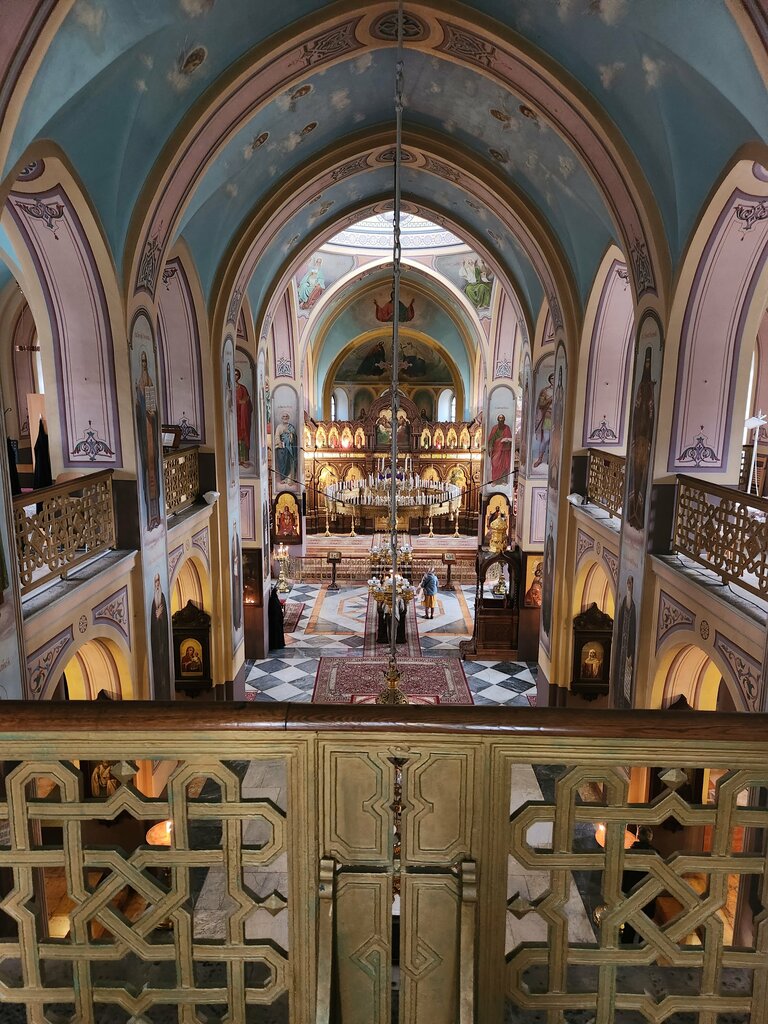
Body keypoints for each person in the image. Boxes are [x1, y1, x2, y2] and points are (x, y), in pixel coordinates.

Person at [626, 347, 656, 530]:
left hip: (644, 443)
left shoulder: (649, 391)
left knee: (641, 476)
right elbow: (638, 412)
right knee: (636, 476)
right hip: (639, 442)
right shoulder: (642, 391)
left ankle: (637, 510)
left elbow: (649, 414)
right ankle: (633, 510)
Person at [621, 825, 659, 943]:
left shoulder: (629, 853)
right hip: (648, 895)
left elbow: (624, 875)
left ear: (637, 836)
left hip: (631, 894)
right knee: (645, 927)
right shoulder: (656, 855)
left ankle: (626, 954)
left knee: (629, 926)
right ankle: (642, 955)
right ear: (650, 838)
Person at [616, 574, 637, 704]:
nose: (628, 585)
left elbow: (630, 612)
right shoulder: (625, 601)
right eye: (627, 583)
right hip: (622, 647)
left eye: (630, 583)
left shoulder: (631, 603)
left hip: (628, 648)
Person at [149, 573, 171, 698]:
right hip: (155, 638)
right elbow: (151, 619)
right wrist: (155, 617)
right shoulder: (153, 600)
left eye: (158, 581)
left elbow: (165, 616)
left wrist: (161, 617)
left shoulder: (162, 596)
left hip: (162, 635)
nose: (157, 584)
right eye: (155, 581)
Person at [533, 372, 554, 469]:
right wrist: (550, 399)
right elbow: (541, 404)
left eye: (555, 378)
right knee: (546, 439)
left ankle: (552, 459)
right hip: (548, 417)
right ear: (550, 380)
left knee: (555, 440)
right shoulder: (545, 391)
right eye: (552, 378)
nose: (554, 380)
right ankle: (540, 458)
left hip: (558, 418)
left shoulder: (561, 390)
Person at [487, 413, 513, 484]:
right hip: (496, 449)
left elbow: (510, 438)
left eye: (502, 418)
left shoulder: (507, 428)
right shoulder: (495, 428)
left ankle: (503, 481)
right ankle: (495, 481)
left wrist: (506, 440)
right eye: (500, 418)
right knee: (495, 464)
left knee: (504, 465)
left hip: (504, 450)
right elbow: (491, 439)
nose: (501, 419)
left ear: (504, 419)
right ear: (498, 419)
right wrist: (490, 448)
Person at [235, 367, 253, 466]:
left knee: (242, 437)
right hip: (232, 417)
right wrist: (238, 402)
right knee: (233, 436)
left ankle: (242, 460)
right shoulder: (227, 388)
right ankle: (234, 459)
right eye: (233, 374)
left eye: (236, 374)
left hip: (242, 417)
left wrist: (244, 403)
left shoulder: (242, 388)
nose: (235, 376)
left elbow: (248, 403)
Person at [275, 411, 298, 484]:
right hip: (282, 448)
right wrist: (279, 443)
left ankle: (289, 479)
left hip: (290, 448)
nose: (285, 418)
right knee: (282, 462)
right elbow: (277, 436)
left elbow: (294, 437)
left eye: (286, 417)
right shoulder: (279, 427)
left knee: (289, 462)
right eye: (283, 417)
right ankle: (283, 478)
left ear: (288, 418)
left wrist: (291, 436)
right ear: (282, 418)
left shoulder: (291, 427)